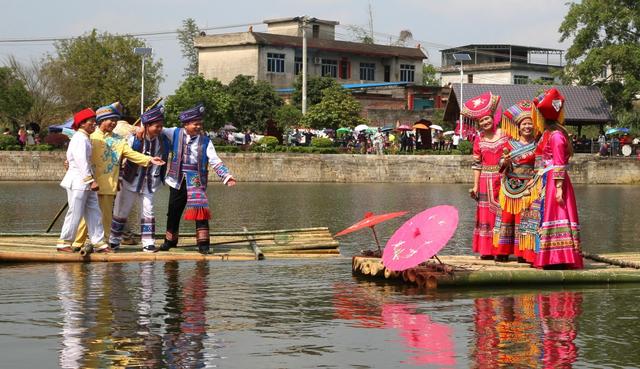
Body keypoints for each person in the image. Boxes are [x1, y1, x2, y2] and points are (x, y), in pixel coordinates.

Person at [73, 102, 165, 251]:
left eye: (116, 120)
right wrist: (70, 162)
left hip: (109, 184)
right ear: (101, 121)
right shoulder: (91, 137)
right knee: (87, 216)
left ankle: (105, 243)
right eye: (111, 120)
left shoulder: (119, 140)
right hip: (92, 183)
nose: (114, 123)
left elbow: (131, 154)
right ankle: (77, 243)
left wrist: (149, 159)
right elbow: (79, 155)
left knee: (107, 217)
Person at [160, 103, 237, 254]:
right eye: (195, 124)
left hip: (195, 178)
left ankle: (203, 245)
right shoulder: (174, 133)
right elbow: (156, 128)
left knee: (200, 211)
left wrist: (227, 177)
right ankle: (170, 241)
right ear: (186, 124)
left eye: (200, 124)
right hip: (177, 178)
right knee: (173, 210)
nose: (198, 127)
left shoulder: (206, 141)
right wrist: (141, 127)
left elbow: (215, 160)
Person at [530, 88, 583, 269]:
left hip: (555, 180)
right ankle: (553, 256)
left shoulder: (556, 136)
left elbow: (559, 163)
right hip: (549, 178)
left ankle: (558, 256)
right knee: (549, 215)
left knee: (556, 213)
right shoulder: (551, 135)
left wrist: (559, 188)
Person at [109, 106, 170, 252]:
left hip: (150, 182)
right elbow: (122, 155)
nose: (159, 129)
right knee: (121, 211)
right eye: (156, 126)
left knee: (148, 210)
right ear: (147, 126)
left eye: (161, 126)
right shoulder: (133, 139)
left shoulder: (163, 140)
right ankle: (114, 240)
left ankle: (148, 242)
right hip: (130, 180)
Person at [56, 109, 109, 252]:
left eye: (94, 121)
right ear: (82, 124)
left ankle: (98, 242)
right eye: (91, 121)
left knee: (94, 211)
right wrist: (90, 180)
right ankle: (64, 242)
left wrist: (90, 181)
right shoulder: (80, 138)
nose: (94, 124)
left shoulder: (84, 137)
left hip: (84, 182)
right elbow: (81, 162)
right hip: (79, 181)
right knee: (75, 212)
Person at [493, 100, 539, 263]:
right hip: (509, 186)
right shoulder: (509, 144)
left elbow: (540, 166)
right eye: (524, 124)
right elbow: (500, 164)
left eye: (530, 124)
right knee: (506, 218)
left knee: (524, 220)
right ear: (518, 127)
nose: (527, 127)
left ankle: (522, 253)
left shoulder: (538, 145)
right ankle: (503, 251)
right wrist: (504, 162)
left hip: (528, 187)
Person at [465, 91, 508, 260]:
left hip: (503, 179)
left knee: (502, 213)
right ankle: (487, 250)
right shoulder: (478, 140)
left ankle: (501, 250)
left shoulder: (505, 134)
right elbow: (477, 165)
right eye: (482, 121)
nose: (485, 122)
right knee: (485, 214)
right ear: (479, 124)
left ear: (493, 118)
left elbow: (511, 154)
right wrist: (475, 185)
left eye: (487, 119)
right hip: (484, 180)